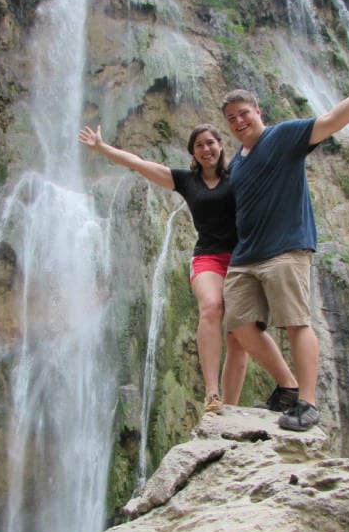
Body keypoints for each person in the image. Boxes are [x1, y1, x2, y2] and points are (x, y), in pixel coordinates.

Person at [221, 54, 349, 432]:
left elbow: (331, 120)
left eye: (243, 113)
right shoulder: (235, 164)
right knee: (237, 325)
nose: (238, 122)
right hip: (245, 256)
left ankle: (309, 403)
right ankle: (287, 386)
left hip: (286, 248)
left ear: (257, 110)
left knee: (296, 322)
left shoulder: (283, 136)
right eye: (231, 118)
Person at [78, 122, 249, 413]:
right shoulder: (186, 181)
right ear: (193, 154)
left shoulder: (240, 175)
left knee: (239, 335)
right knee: (211, 306)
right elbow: (138, 163)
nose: (206, 149)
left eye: (210, 143)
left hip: (242, 258)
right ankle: (211, 394)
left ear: (221, 145)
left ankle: (229, 411)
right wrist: (100, 147)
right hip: (207, 257)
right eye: (199, 146)